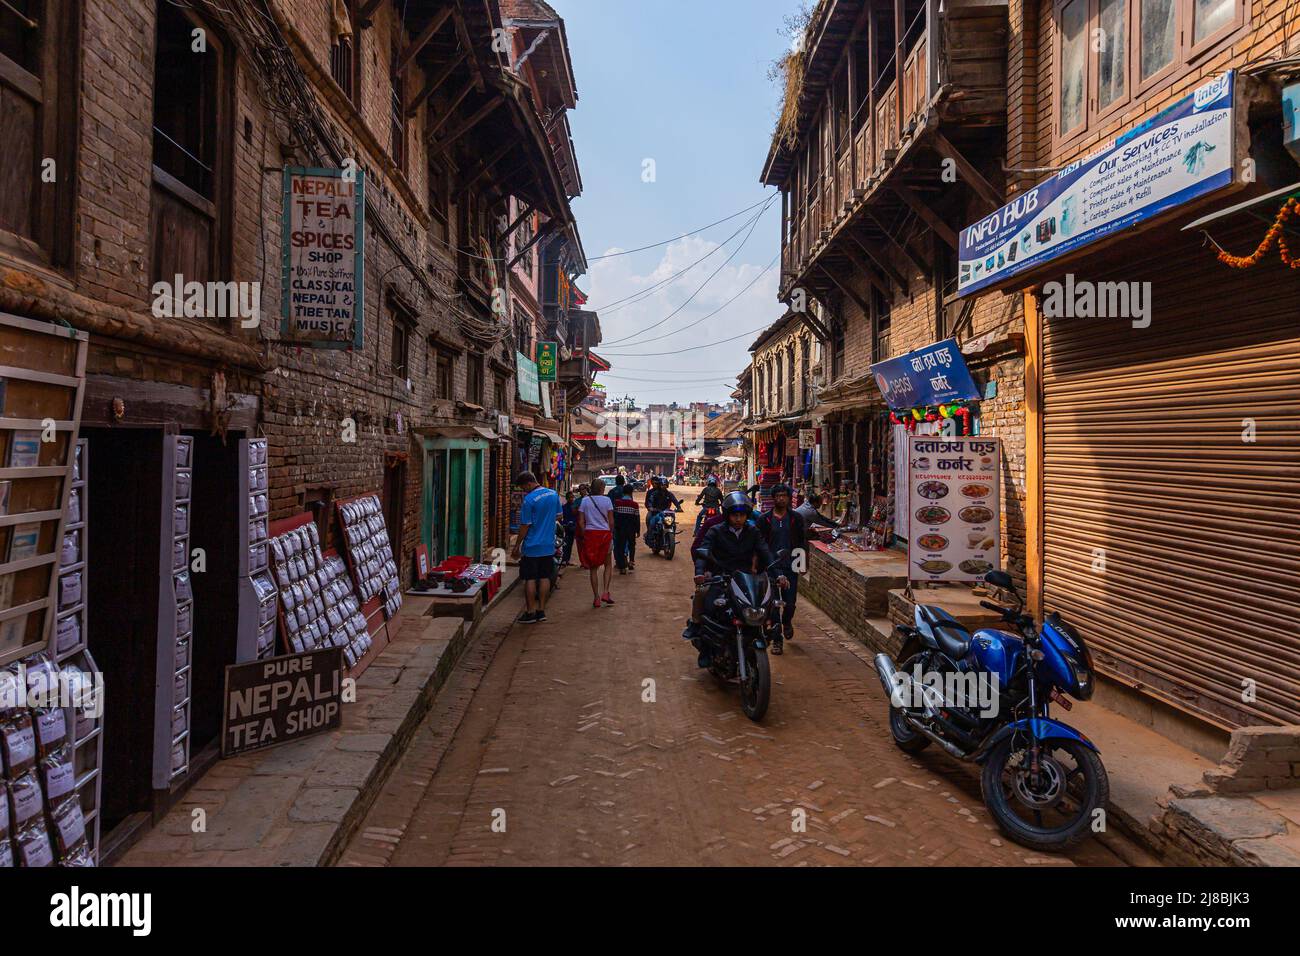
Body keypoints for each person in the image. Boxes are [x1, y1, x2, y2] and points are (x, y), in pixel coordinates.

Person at [684, 491, 786, 668]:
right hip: (720, 575)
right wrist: (701, 573)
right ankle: (700, 635)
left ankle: (765, 632)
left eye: (742, 515)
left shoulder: (753, 531)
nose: (738, 519)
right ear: (727, 515)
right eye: (734, 515)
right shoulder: (715, 530)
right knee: (704, 596)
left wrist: (779, 574)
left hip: (745, 578)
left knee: (764, 603)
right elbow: (702, 551)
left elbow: (766, 553)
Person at [755, 483, 807, 654]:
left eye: (784, 496)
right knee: (774, 606)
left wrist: (803, 563)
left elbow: (802, 542)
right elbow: (759, 544)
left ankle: (787, 622)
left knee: (790, 603)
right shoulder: (765, 519)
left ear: (788, 497)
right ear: (773, 498)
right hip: (770, 568)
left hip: (791, 566)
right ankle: (777, 640)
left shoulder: (796, 519)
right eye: (778, 496)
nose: (781, 499)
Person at [511, 472, 562, 624]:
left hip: (532, 546)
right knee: (545, 577)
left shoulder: (529, 500)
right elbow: (559, 516)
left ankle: (530, 611)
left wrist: (517, 545)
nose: (524, 491)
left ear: (528, 483)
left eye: (523, 488)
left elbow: (525, 525)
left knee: (530, 578)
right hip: (548, 545)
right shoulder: (553, 495)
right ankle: (541, 610)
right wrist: (546, 521)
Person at [577, 476, 616, 608]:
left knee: (593, 568)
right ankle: (606, 591)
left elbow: (581, 522)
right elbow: (611, 521)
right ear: (602, 488)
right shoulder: (607, 501)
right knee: (608, 564)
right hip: (605, 535)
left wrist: (584, 534)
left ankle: (596, 598)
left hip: (590, 535)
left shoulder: (585, 501)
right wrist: (610, 533)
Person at [610, 480, 641, 573]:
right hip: (631, 529)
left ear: (623, 492)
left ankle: (622, 567)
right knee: (632, 545)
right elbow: (637, 518)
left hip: (619, 529)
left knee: (620, 546)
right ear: (631, 493)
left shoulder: (617, 503)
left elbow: (614, 516)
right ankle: (631, 562)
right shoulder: (635, 505)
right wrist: (638, 530)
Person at [644, 475, 683, 540]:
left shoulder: (669, 494)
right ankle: (650, 535)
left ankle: (672, 534)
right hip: (656, 512)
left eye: (665, 485)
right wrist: (650, 507)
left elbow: (674, 500)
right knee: (651, 522)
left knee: (673, 522)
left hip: (667, 512)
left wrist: (679, 507)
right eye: (662, 485)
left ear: (667, 485)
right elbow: (650, 501)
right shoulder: (654, 493)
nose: (663, 486)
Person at [560, 491, 579, 566]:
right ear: (567, 498)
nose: (572, 499)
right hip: (566, 527)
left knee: (570, 544)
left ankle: (567, 560)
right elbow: (561, 517)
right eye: (570, 497)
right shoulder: (564, 507)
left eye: (572, 497)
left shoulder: (575, 507)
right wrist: (563, 524)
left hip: (573, 527)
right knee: (565, 544)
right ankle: (564, 559)